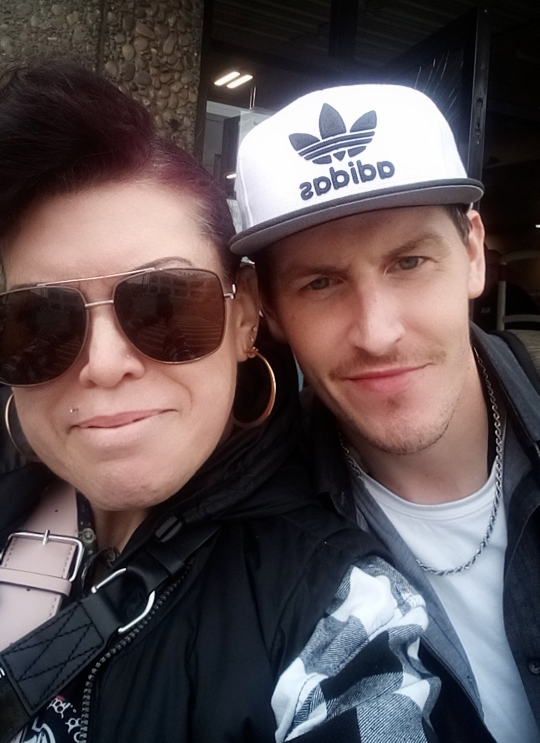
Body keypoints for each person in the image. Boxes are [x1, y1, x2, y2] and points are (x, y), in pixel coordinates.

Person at [0, 61, 440, 743]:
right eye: (40, 321)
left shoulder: (333, 610)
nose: (105, 365)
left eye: (166, 304)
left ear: (244, 316)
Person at [231, 83, 540, 743]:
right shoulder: (258, 549)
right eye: (321, 281)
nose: (377, 332)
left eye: (409, 261)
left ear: (473, 252)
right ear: (269, 307)